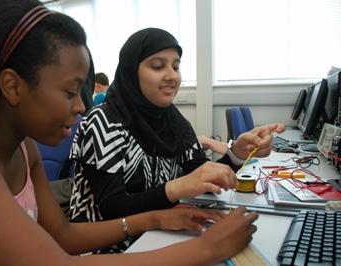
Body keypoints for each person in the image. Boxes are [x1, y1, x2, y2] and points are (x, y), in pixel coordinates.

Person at [0, 1, 259, 265]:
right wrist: (208, 248)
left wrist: (155, 219)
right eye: (70, 91)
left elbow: (64, 237)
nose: (82, 106)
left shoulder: (25, 147)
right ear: (13, 87)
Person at [67, 28, 284, 229]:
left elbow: (204, 178)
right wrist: (176, 188)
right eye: (158, 66)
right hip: (106, 244)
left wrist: (237, 152)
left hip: (158, 229)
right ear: (131, 71)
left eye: (176, 66)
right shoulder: (103, 121)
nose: (172, 75)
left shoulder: (172, 119)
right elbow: (111, 208)